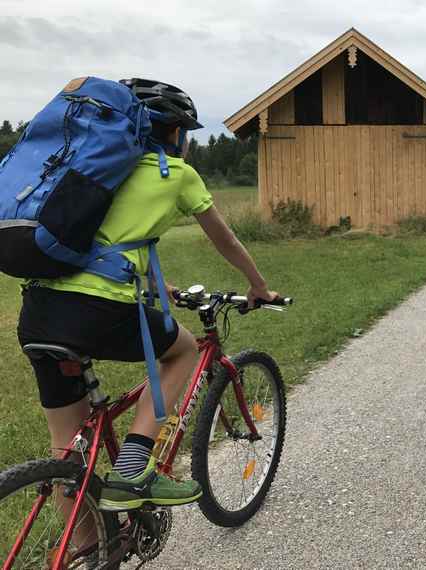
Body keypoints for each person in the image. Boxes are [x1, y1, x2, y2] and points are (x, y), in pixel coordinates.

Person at [17, 78, 278, 514]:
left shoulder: (88, 171)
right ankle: (134, 470)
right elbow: (226, 241)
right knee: (185, 351)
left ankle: (87, 552)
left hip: (40, 312)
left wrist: (159, 287)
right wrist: (257, 286)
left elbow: (104, 243)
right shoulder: (175, 173)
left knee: (68, 451)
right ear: (175, 133)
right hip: (99, 311)